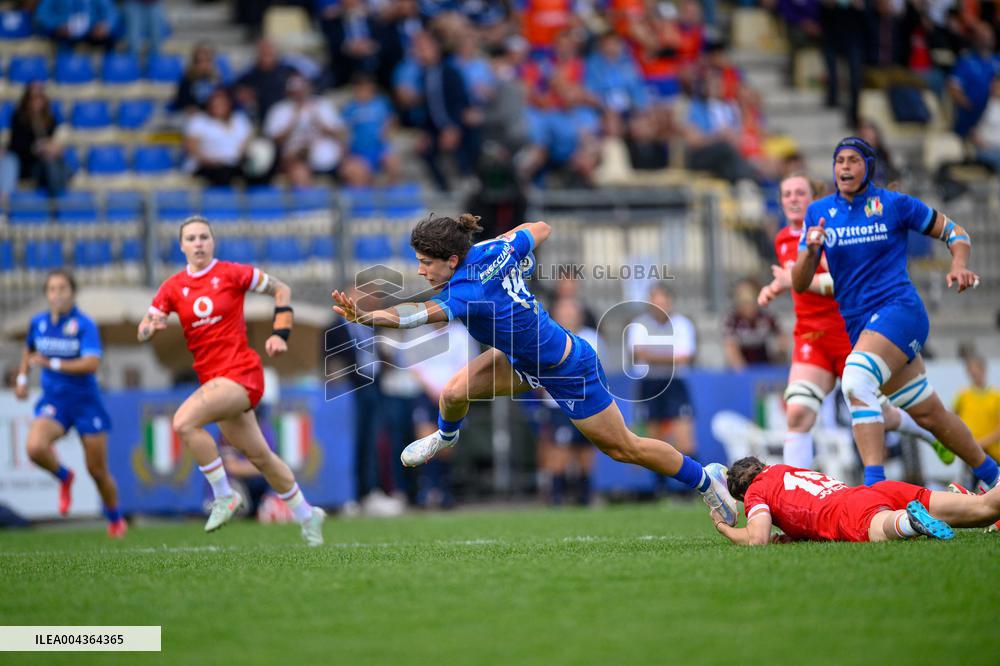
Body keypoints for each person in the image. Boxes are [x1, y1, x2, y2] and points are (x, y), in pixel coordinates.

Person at [332, 213, 739, 525]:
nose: (421, 271)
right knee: (453, 394)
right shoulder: (492, 250)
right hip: (524, 360)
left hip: (568, 369)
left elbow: (415, 316)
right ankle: (446, 437)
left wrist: (371, 317)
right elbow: (540, 228)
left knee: (623, 448)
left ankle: (706, 479)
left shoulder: (466, 290)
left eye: (425, 263)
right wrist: (517, 256)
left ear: (452, 259)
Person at [791, 136, 999, 491]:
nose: (844, 166)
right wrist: (810, 252)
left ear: (869, 167)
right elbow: (799, 282)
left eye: (854, 160)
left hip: (900, 310)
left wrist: (959, 264)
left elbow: (955, 232)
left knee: (856, 380)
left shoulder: (894, 204)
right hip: (861, 325)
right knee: (930, 415)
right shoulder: (819, 212)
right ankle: (995, 478)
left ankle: (876, 490)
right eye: (839, 159)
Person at [137, 216, 325, 545]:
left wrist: (281, 333)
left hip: (241, 374)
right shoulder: (172, 288)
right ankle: (307, 515)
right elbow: (146, 324)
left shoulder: (232, 273)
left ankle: (223, 495)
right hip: (215, 382)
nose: (198, 243)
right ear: (181, 246)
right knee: (262, 457)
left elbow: (282, 289)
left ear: (212, 242)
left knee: (182, 422)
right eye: (191, 238)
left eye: (203, 237)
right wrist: (148, 328)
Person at [759, 173, 951, 469]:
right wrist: (775, 287)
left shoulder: (835, 234)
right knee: (797, 413)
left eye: (800, 192)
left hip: (852, 335)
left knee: (883, 414)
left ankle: (926, 431)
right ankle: (791, 498)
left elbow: (844, 283)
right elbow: (795, 279)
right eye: (787, 194)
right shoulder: (783, 239)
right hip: (811, 338)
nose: (793, 199)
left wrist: (791, 281)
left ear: (815, 199)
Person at [14, 269, 126, 538]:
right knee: (35, 447)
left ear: (72, 293)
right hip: (55, 402)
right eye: (52, 289)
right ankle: (64, 476)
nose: (57, 294)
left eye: (63, 288)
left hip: (86, 402)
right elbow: (29, 349)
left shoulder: (84, 324)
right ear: (46, 294)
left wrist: (52, 362)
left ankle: (115, 518)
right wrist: (21, 377)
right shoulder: (38, 323)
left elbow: (91, 363)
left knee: (97, 470)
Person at [710, 456, 1000, 545]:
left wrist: (724, 527)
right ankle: (962, 499)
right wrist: (794, 537)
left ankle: (909, 522)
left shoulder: (756, 492)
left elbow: (757, 538)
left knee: (885, 527)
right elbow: (801, 507)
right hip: (872, 491)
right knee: (985, 509)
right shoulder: (782, 470)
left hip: (846, 511)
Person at [626, 283, 697, 457]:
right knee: (654, 440)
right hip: (650, 383)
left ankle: (691, 483)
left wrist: (652, 355)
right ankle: (661, 483)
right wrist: (670, 356)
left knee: (684, 440)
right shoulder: (638, 324)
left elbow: (684, 357)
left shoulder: (682, 324)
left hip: (675, 383)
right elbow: (638, 353)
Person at [8, 82, 69, 197]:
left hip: (50, 160)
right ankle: (55, 199)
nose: (36, 102)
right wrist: (37, 147)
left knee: (54, 162)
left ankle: (59, 197)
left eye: (39, 97)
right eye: (33, 98)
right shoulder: (19, 119)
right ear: (26, 99)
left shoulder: (50, 119)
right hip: (30, 164)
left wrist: (52, 148)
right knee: (50, 165)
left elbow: (56, 138)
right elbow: (16, 146)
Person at [952, 355, 1000, 463]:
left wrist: (982, 443)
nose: (974, 375)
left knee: (994, 478)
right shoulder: (962, 395)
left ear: (984, 370)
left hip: (993, 453)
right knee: (968, 480)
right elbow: (953, 419)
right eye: (971, 372)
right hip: (970, 452)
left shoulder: (996, 396)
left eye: (977, 371)